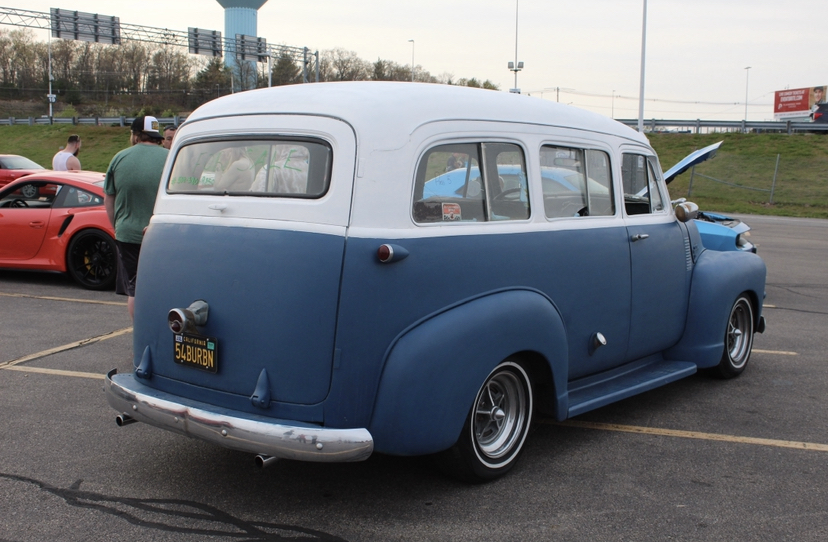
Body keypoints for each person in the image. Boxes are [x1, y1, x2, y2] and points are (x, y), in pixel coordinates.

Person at [104, 115, 169, 319]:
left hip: (128, 233)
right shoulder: (170, 158)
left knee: (135, 288)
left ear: (135, 135)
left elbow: (109, 198)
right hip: (160, 234)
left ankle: (139, 331)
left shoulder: (119, 157)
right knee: (161, 286)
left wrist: (117, 227)